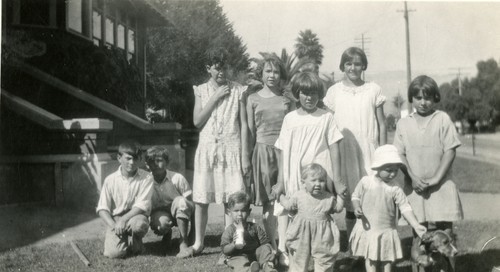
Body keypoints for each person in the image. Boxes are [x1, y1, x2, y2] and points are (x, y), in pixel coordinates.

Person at [178, 48, 251, 258]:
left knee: (234, 198)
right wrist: (216, 96)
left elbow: (244, 125)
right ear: (208, 68)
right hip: (208, 149)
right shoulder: (201, 90)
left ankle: (235, 242)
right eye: (217, 68)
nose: (222, 72)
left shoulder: (239, 90)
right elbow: (197, 121)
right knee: (202, 198)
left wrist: (245, 155)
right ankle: (198, 243)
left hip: (232, 149)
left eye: (225, 67)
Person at [273, 71, 347, 266]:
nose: (309, 97)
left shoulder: (326, 118)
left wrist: (337, 181)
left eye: (314, 93)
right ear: (297, 94)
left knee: (319, 215)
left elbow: (334, 147)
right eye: (305, 93)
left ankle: (321, 257)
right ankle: (294, 256)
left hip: (318, 174)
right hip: (295, 172)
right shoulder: (290, 118)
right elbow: (282, 149)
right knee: (296, 213)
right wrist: (281, 181)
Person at [393, 75, 463, 269]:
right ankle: (422, 266)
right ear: (412, 99)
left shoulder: (442, 119)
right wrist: (412, 178)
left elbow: (450, 150)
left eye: (428, 97)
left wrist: (435, 179)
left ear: (435, 98)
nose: (423, 102)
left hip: (441, 185)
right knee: (420, 233)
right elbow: (399, 154)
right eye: (418, 98)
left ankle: (448, 267)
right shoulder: (403, 124)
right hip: (415, 187)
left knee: (445, 232)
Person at [323, 47, 387, 239]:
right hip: (345, 153)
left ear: (363, 66)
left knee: (371, 198)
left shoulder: (373, 90)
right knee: (351, 202)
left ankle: (372, 241)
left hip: (369, 151)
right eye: (348, 63)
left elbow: (382, 125)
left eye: (357, 63)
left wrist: (383, 155)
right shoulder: (334, 91)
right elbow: (328, 125)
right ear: (342, 66)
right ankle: (354, 246)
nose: (353, 68)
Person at [349, 145, 427, 272]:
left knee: (387, 258)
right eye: (389, 170)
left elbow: (405, 206)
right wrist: (357, 206)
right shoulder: (366, 182)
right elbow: (355, 196)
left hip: (386, 229)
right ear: (377, 167)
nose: (392, 174)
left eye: (396, 170)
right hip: (369, 229)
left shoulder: (395, 188)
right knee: (371, 258)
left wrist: (416, 225)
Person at [246, 56, 294, 251]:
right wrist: (248, 159)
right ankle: (272, 244)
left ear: (280, 75)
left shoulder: (287, 100)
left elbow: (293, 128)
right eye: (268, 71)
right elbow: (250, 132)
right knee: (267, 203)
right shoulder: (252, 99)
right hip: (263, 154)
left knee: (284, 199)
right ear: (262, 74)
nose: (272, 75)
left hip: (284, 153)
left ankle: (284, 245)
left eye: (275, 72)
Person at [277, 163, 343, 272]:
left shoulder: (328, 197)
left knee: (324, 261)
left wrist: (341, 196)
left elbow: (338, 208)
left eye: (321, 181)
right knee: (299, 259)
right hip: (301, 233)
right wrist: (280, 195)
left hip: (323, 235)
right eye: (313, 180)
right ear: (303, 183)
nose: (318, 184)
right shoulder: (299, 195)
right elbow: (289, 205)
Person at [96, 140, 153, 259]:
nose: (132, 162)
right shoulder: (110, 180)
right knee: (115, 254)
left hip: (135, 216)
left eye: (135, 158)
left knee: (139, 225)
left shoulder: (146, 177)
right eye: (128, 158)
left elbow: (142, 206)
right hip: (116, 219)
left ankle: (137, 243)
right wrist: (114, 225)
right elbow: (102, 208)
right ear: (119, 158)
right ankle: (122, 242)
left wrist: (123, 220)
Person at [145, 146, 195, 257]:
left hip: (181, 212)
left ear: (167, 162)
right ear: (147, 165)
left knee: (181, 201)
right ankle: (167, 234)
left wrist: (193, 232)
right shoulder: (146, 181)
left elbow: (192, 204)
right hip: (161, 213)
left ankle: (183, 242)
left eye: (159, 161)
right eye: (152, 162)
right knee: (161, 224)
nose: (155, 164)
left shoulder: (177, 178)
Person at [220, 191, 277, 272]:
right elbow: (225, 250)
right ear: (229, 212)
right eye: (236, 211)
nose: (239, 214)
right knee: (239, 261)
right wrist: (233, 244)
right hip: (238, 255)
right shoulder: (230, 230)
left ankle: (267, 266)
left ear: (249, 211)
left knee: (264, 249)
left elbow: (265, 243)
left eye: (243, 210)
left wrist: (269, 250)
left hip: (255, 254)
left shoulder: (254, 227)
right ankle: (249, 270)